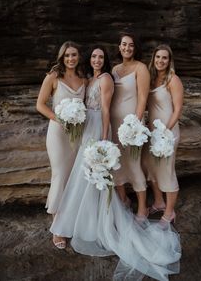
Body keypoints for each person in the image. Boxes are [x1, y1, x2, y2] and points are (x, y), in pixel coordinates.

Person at [50, 45, 181, 281]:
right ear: (89, 60)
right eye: (94, 56)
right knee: (82, 176)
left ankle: (95, 221)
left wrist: (102, 137)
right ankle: (79, 218)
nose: (97, 59)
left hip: (98, 128)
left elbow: (106, 110)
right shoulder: (91, 78)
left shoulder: (107, 79)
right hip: (86, 128)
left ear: (105, 60)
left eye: (101, 56)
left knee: (93, 173)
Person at [36, 40, 86, 248]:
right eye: (67, 55)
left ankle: (69, 216)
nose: (71, 59)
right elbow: (40, 105)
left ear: (78, 57)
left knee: (73, 175)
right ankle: (57, 225)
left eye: (74, 55)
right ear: (62, 57)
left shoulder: (84, 78)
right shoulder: (53, 77)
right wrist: (60, 119)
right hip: (58, 132)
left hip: (78, 135)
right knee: (59, 174)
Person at [110, 32, 150, 218]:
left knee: (134, 164)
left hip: (131, 125)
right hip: (113, 123)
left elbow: (142, 98)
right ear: (119, 47)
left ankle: (143, 207)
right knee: (115, 162)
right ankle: (124, 199)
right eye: (124, 44)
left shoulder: (141, 68)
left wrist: (135, 123)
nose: (127, 48)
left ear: (135, 48)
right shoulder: (114, 69)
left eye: (131, 45)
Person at [142, 44, 184, 224]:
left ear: (169, 61)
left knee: (167, 170)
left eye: (164, 58)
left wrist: (166, 131)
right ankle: (158, 202)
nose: (160, 60)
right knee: (149, 166)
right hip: (152, 131)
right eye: (158, 57)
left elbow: (178, 109)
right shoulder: (150, 79)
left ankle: (169, 212)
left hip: (167, 132)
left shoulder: (173, 80)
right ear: (154, 59)